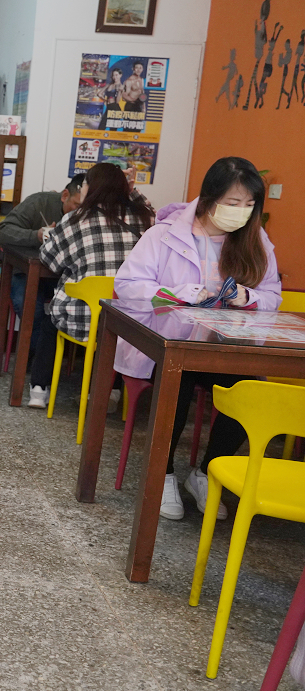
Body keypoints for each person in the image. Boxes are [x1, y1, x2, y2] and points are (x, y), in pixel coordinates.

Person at [114, 156, 282, 521]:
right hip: (166, 345)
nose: (241, 212)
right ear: (209, 199)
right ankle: (164, 474)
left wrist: (247, 297)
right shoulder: (163, 235)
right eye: (233, 204)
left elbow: (272, 296)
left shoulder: (255, 241)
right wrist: (175, 293)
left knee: (250, 391)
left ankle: (206, 474)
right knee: (179, 381)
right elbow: (126, 286)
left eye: (250, 206)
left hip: (223, 348)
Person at [29, 163, 154, 408]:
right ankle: (112, 391)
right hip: (131, 322)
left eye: (85, 183)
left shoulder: (75, 220)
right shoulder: (144, 218)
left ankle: (38, 389)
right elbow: (152, 212)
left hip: (82, 318)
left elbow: (50, 260)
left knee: (50, 322)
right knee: (116, 334)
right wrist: (132, 190)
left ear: (92, 187)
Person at [0, 175, 86, 376]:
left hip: (67, 278)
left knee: (79, 309)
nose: (79, 212)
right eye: (76, 205)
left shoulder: (90, 217)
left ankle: (52, 361)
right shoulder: (39, 202)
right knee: (31, 306)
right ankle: (37, 360)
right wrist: (36, 235)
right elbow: (3, 231)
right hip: (29, 274)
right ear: (65, 195)